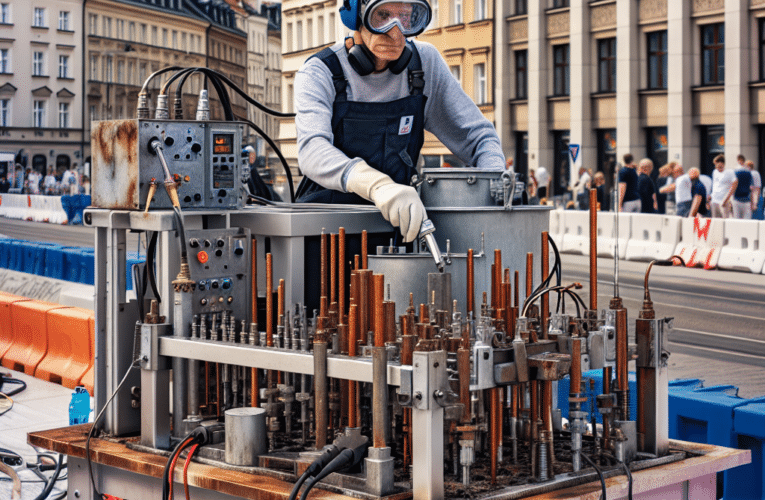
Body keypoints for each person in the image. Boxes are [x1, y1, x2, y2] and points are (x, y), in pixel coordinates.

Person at [293, 0, 505, 242]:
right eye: (382, 16)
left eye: (405, 18)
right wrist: (377, 185)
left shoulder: (424, 65)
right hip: (326, 234)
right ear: (355, 15)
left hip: (397, 231)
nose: (395, 32)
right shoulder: (320, 71)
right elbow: (312, 151)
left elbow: (479, 138)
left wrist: (497, 190)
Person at [709, 154, 737, 218]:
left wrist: (726, 199)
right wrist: (710, 197)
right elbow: (714, 185)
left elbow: (734, 185)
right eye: (716, 166)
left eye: (720, 166)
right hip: (714, 200)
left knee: (725, 220)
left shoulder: (730, 172)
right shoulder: (715, 172)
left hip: (724, 201)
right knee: (715, 221)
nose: (718, 168)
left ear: (723, 164)